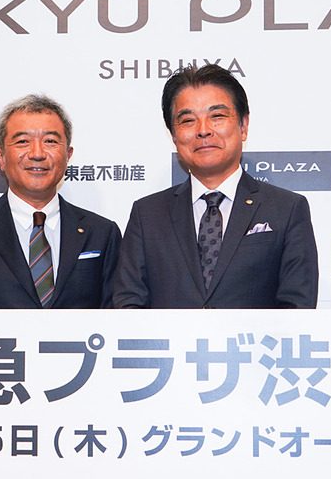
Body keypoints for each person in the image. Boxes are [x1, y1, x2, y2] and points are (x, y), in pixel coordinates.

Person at [113, 64, 318, 308]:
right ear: (174, 136)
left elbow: (297, 308)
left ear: (243, 126)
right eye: (188, 120)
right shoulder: (147, 214)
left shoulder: (286, 209)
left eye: (217, 116)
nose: (203, 131)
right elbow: (128, 305)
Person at [0, 94, 121, 309]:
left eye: (50, 141)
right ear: (1, 157)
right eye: (23, 141)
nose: (37, 153)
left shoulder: (102, 233)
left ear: (68, 154)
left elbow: (117, 318)